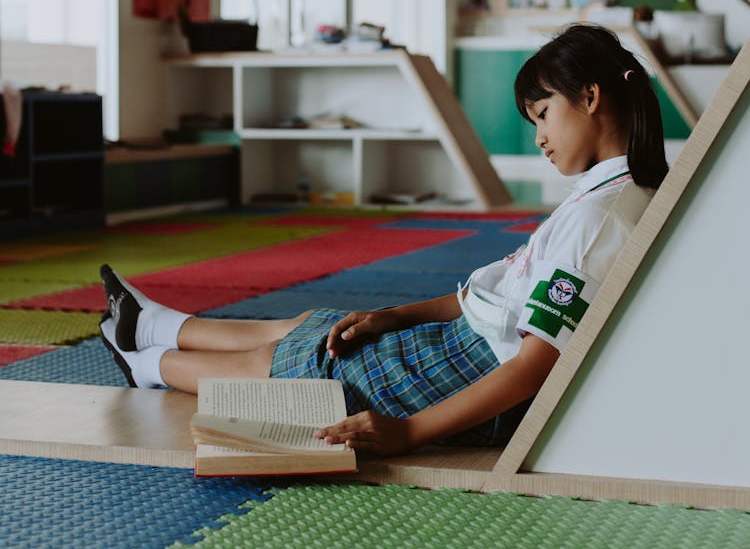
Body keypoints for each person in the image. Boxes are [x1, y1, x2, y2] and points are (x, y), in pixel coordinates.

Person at [99, 23, 668, 458]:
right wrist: (394, 313)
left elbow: (533, 366)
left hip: (472, 373)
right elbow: (496, 301)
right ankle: (153, 325)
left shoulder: (601, 218)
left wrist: (406, 432)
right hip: (468, 344)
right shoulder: (606, 196)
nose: (540, 138)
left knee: (290, 367)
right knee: (322, 324)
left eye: (543, 115)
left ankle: (146, 360)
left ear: (590, 98)